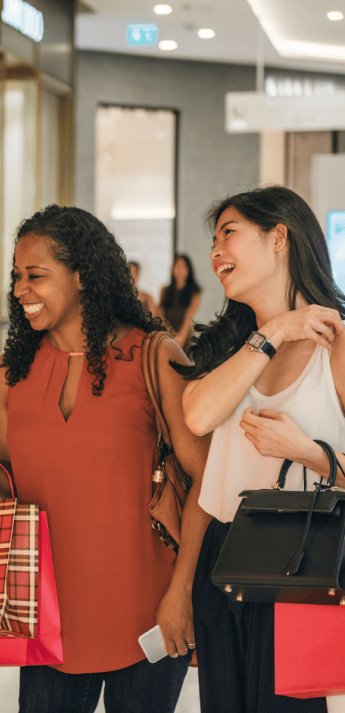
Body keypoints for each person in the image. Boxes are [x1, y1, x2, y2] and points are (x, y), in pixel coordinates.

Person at [0, 205, 211, 713]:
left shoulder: (154, 357)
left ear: (83, 276)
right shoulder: (8, 375)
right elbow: (15, 491)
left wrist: (181, 596)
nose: (21, 289)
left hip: (149, 608)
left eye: (36, 276)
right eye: (16, 277)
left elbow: (205, 480)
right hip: (47, 614)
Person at [181, 186, 345, 713]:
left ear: (280, 238)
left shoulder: (337, 345)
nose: (215, 252)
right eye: (212, 241)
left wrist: (309, 452)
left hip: (298, 558)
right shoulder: (240, 345)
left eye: (229, 233)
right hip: (221, 560)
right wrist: (274, 329)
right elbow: (198, 415)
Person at [159, 254, 202, 348]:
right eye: (177, 265)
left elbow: (189, 316)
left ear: (188, 269)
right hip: (165, 332)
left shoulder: (194, 291)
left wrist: (180, 337)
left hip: (184, 333)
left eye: (183, 266)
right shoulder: (164, 290)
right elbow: (161, 314)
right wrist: (170, 333)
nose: (179, 269)